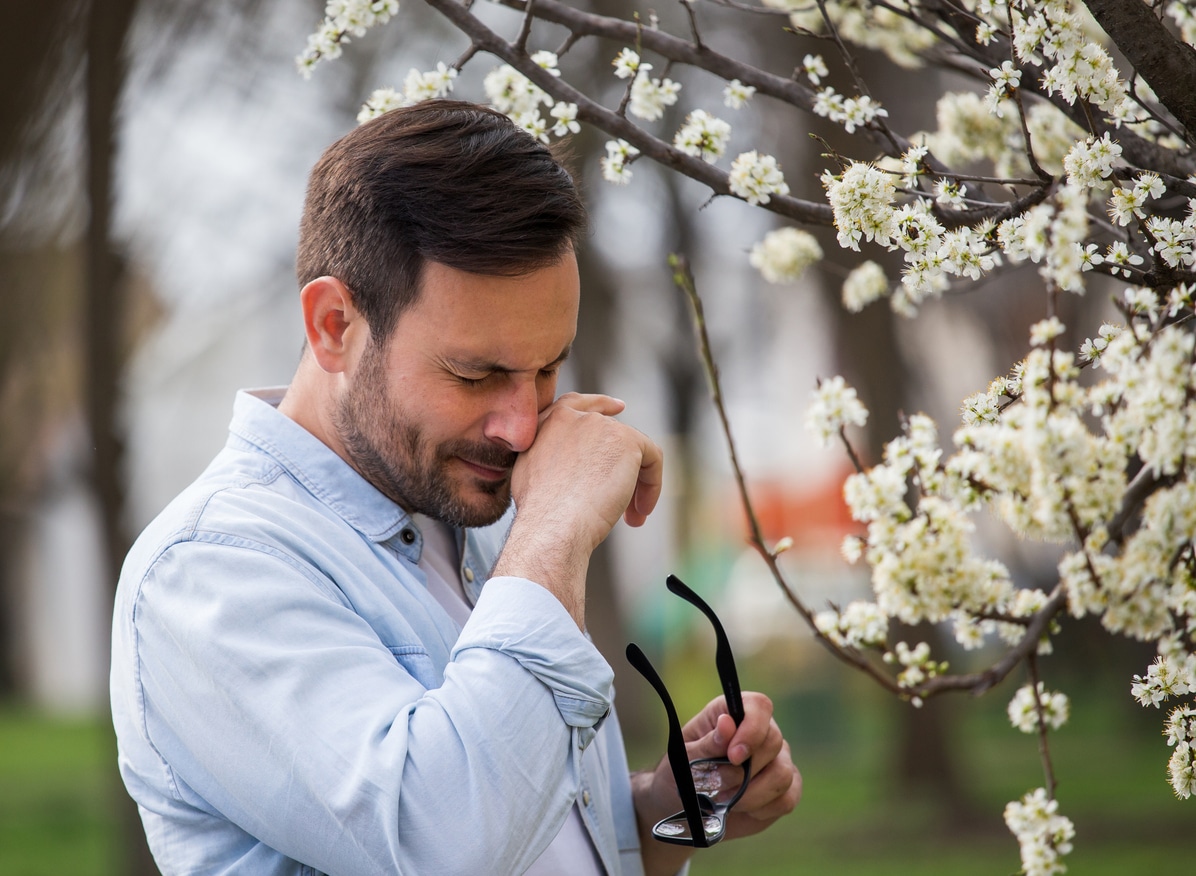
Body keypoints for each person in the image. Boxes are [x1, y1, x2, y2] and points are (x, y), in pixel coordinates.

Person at [110, 99, 800, 876]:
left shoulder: (475, 516)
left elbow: (523, 830)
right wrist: (555, 532)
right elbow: (446, 845)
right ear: (335, 324)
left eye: (547, 369)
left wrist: (655, 812)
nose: (520, 424)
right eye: (476, 374)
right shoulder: (210, 569)